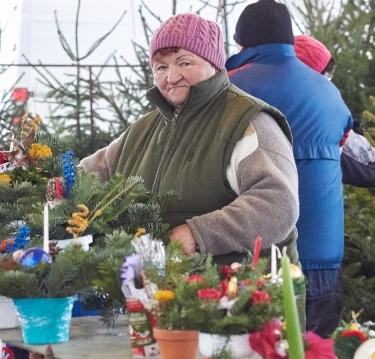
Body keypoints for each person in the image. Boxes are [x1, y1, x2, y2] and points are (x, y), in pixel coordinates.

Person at [81, 13, 299, 265]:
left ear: (214, 63)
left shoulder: (247, 120)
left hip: (243, 294)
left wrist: (199, 234)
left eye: (184, 63)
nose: (172, 77)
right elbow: (88, 177)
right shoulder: (143, 129)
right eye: (161, 67)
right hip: (161, 294)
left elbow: (277, 204)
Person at [225, 0, 353, 337]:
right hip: (325, 258)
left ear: (242, 41)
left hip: (259, 258)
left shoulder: (231, 88)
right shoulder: (329, 92)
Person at [294, 35, 375, 189]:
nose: (329, 83)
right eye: (326, 76)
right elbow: (374, 168)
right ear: (312, 76)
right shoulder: (319, 117)